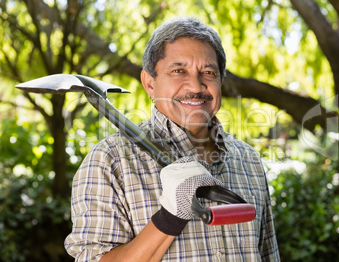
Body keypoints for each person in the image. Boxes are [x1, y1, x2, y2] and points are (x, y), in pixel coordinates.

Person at [65, 16, 280, 261]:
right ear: (149, 83)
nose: (196, 86)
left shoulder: (248, 159)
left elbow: (268, 254)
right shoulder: (109, 160)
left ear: (221, 81)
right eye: (179, 71)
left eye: (208, 72)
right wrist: (169, 218)